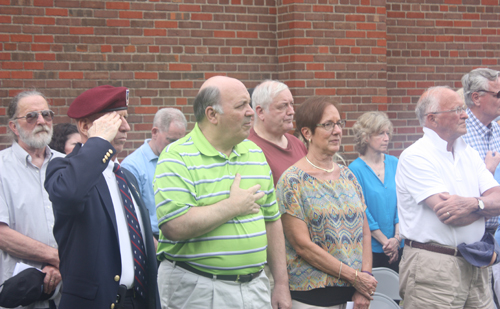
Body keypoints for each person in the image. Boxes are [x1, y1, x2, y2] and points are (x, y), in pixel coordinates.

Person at [154, 76, 292, 309]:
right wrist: (232, 206)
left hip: (256, 287)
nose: (251, 112)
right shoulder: (176, 156)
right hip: (198, 289)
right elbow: (173, 226)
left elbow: (272, 220)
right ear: (212, 115)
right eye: (241, 106)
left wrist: (281, 282)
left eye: (249, 104)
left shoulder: (255, 153)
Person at [44, 85, 160, 309]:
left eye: (126, 118)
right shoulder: (63, 169)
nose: (126, 127)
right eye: (117, 120)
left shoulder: (125, 176)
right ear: (86, 126)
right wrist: (97, 142)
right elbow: (70, 195)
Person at [396, 86, 500, 308]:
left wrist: (474, 203)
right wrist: (486, 207)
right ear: (432, 119)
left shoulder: (468, 152)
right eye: (458, 109)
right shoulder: (415, 156)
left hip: (476, 262)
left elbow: (497, 198)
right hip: (434, 268)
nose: (465, 114)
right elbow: (451, 214)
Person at [276, 96, 377, 309]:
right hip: (312, 299)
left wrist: (364, 282)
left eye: (339, 123)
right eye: (328, 125)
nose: (337, 130)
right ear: (307, 133)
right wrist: (354, 277)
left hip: (354, 297)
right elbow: (302, 246)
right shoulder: (292, 181)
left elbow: (365, 233)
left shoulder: (349, 177)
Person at [0, 90, 64, 308]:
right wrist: (59, 258)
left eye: (47, 115)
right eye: (31, 116)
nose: (41, 121)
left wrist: (59, 266)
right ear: (13, 127)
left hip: (67, 293)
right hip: (18, 295)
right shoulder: (1, 168)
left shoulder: (69, 164)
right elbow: (2, 234)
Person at [349, 112, 403, 273]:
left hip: (399, 245)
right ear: (365, 137)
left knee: (398, 296)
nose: (386, 138)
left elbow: (403, 202)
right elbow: (362, 210)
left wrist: (397, 238)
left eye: (387, 133)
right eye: (381, 133)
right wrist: (386, 242)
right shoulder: (354, 170)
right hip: (371, 250)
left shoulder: (395, 163)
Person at [122, 108, 187, 240]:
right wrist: (156, 250)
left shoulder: (182, 160)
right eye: (171, 141)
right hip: (151, 240)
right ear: (155, 132)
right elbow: (131, 218)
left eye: (181, 142)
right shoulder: (132, 166)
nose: (176, 147)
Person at [462, 68, 500, 236]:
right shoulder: (458, 134)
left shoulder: (497, 130)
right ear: (476, 98)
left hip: (495, 234)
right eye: (498, 95)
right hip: (470, 235)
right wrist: (488, 171)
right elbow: (455, 192)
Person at [249, 80, 307, 187]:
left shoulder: (298, 144)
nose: (291, 111)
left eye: (291, 104)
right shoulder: (249, 148)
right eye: (283, 106)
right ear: (261, 112)